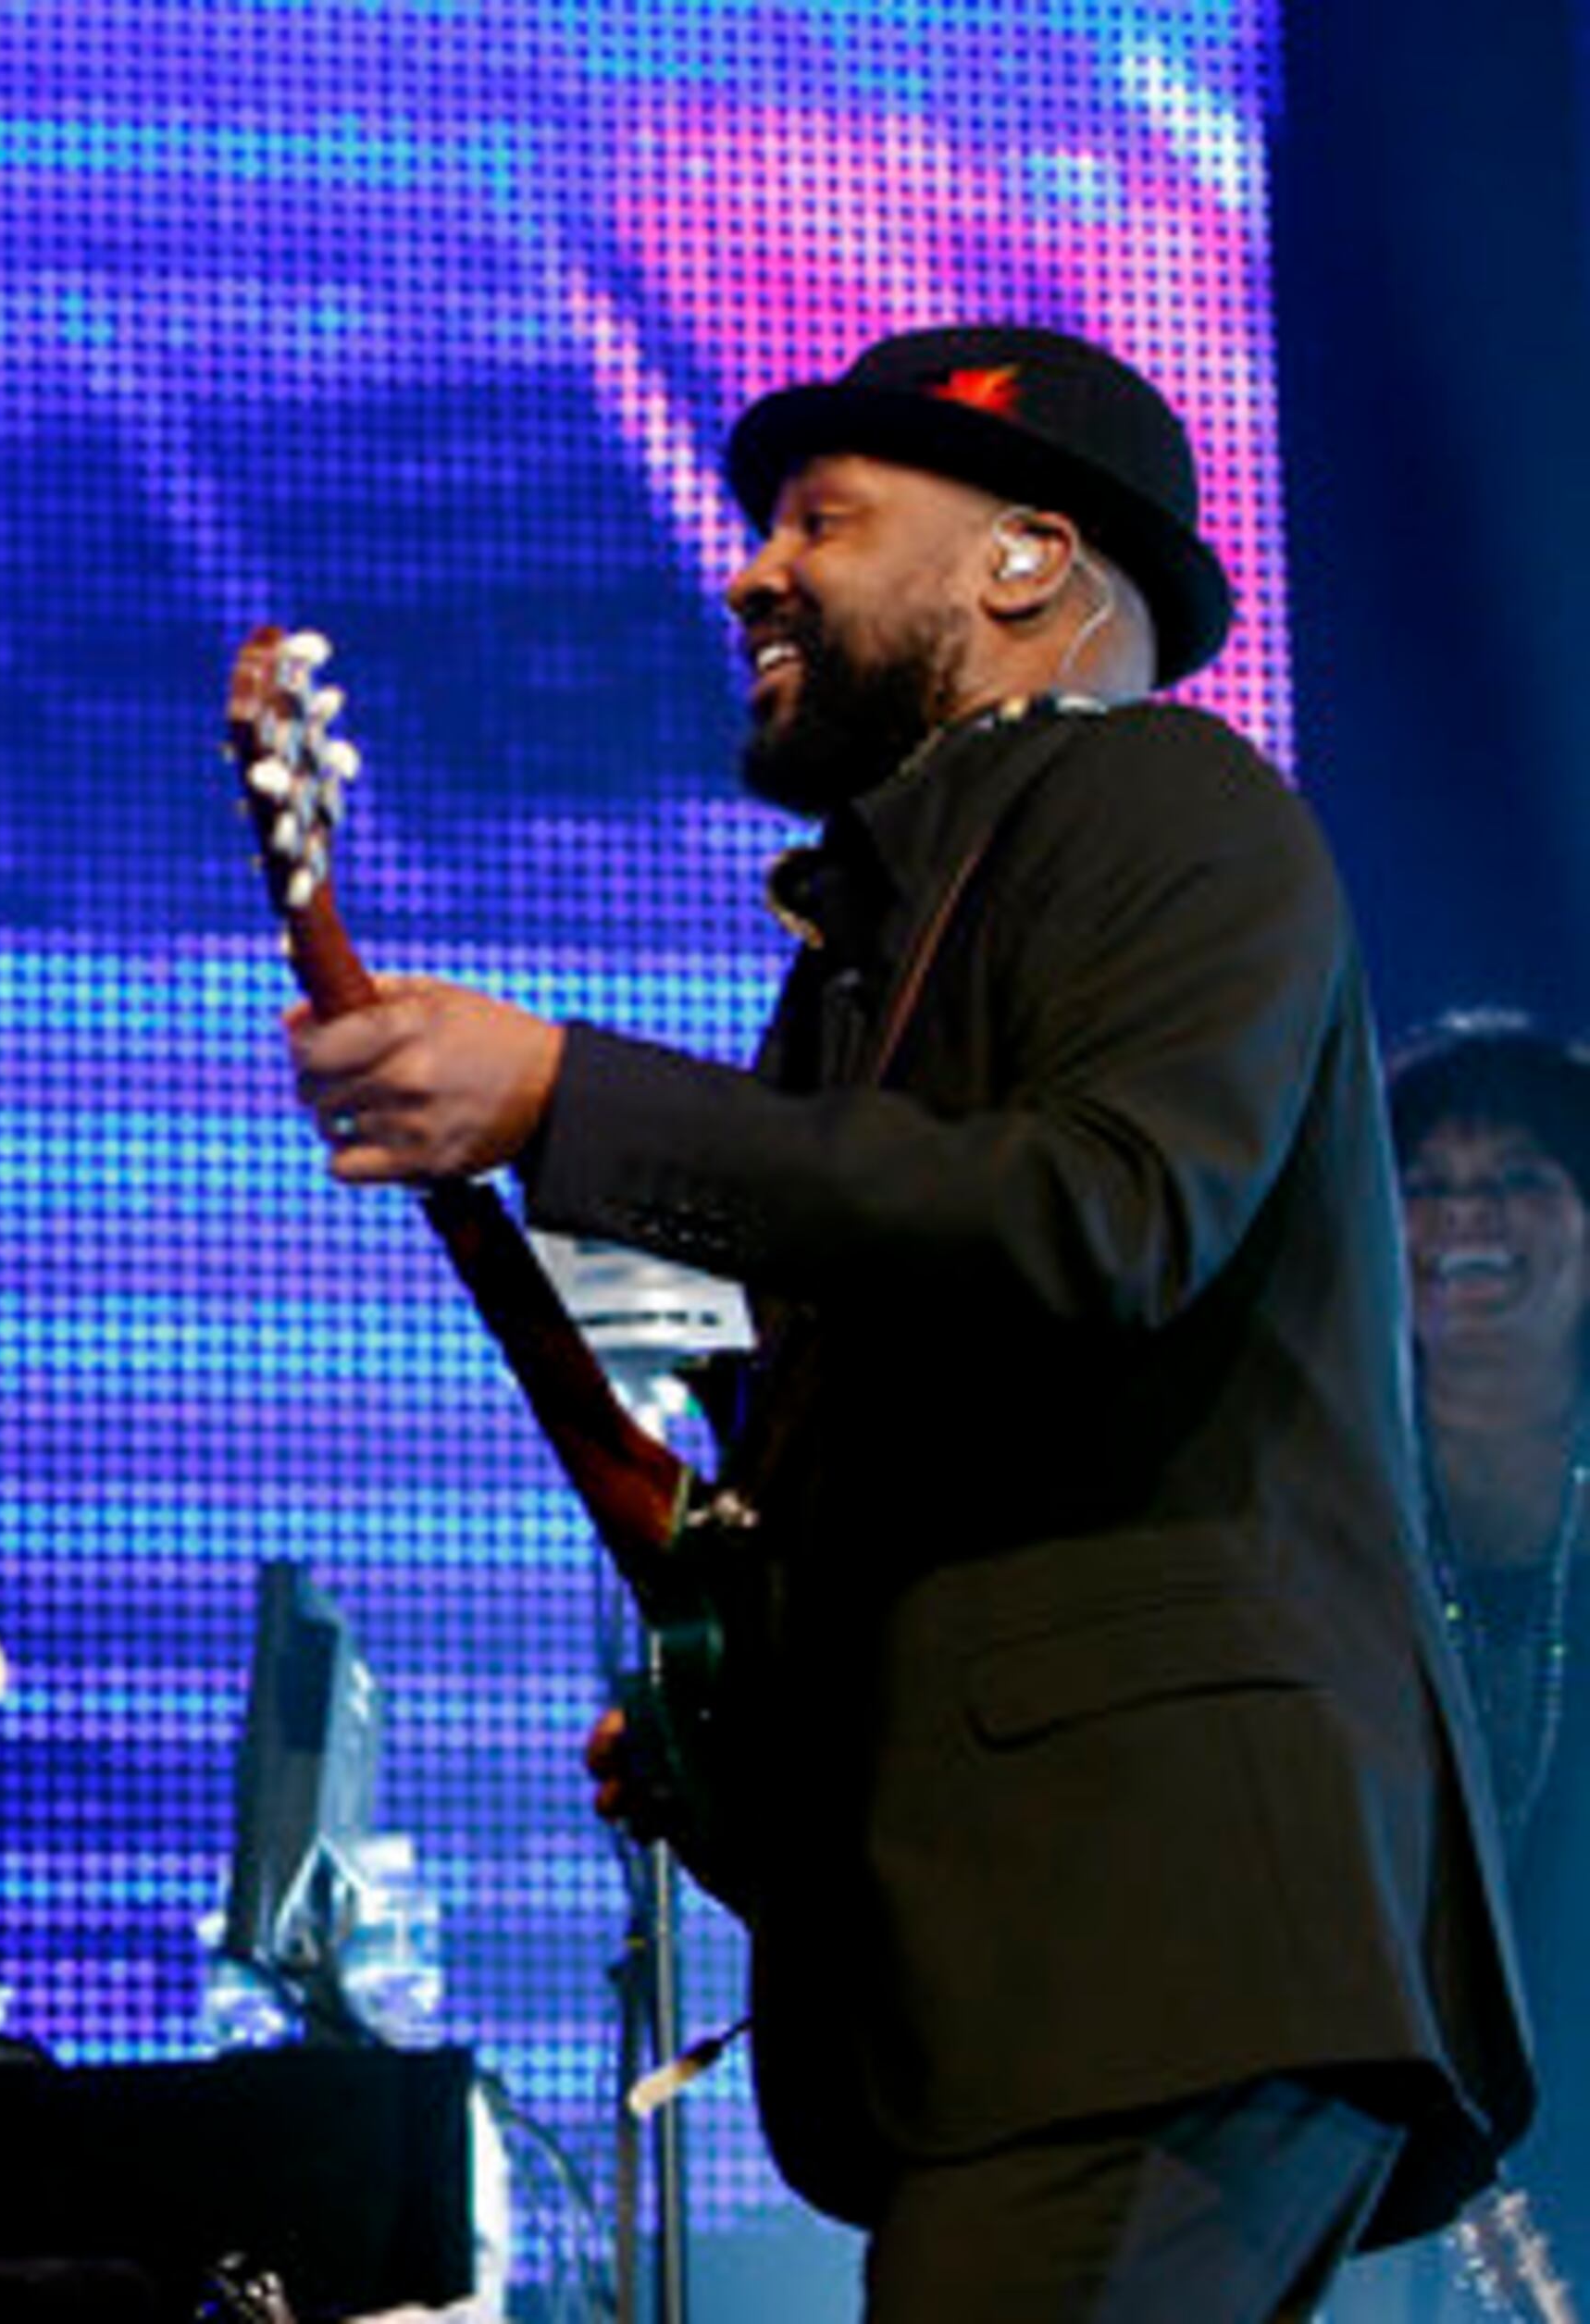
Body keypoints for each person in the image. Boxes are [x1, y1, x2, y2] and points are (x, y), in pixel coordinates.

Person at [285, 323, 1533, 2320]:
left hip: (1166, 1936)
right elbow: (948, 1407)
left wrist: (566, 1100)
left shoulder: (1162, 799)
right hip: (1072, 1968)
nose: (752, 570)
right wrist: (744, 1696)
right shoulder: (886, 940)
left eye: (823, 520)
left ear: (1024, 560)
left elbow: (1108, 1212)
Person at [1380, 1013, 1590, 2313]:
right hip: (1394, 2076)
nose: (1471, 1218)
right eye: (1429, 1187)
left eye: (1519, 1178)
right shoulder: (1329, 1494)